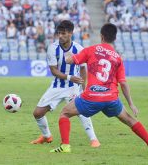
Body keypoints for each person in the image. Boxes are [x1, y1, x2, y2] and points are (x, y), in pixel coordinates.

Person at [50, 23, 148, 153]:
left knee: (64, 113)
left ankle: (65, 146)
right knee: (130, 120)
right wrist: (131, 104)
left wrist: (68, 53)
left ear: (101, 36)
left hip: (92, 96)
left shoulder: (91, 50)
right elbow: (123, 83)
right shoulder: (117, 57)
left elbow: (70, 61)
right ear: (114, 38)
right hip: (111, 98)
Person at [31, 20, 100, 148]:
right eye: (59, 33)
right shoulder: (53, 48)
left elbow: (84, 69)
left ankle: (94, 139)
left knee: (81, 111)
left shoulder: (79, 49)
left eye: (63, 33)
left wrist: (84, 89)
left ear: (70, 33)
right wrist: (70, 77)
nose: (60, 36)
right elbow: (53, 70)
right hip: (57, 86)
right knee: (37, 113)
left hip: (73, 88)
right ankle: (47, 136)